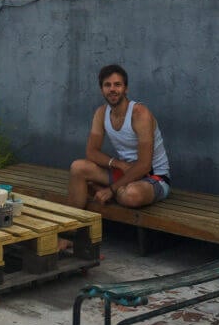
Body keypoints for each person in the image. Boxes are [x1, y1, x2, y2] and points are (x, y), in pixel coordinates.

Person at [65, 63, 171, 214]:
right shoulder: (101, 113)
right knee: (77, 167)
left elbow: (145, 165)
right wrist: (118, 164)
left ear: (126, 89)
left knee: (132, 195)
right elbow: (92, 152)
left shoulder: (140, 114)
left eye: (117, 84)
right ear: (102, 90)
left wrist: (111, 189)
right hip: (124, 173)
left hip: (153, 178)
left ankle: (105, 191)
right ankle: (68, 231)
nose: (112, 89)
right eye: (107, 85)